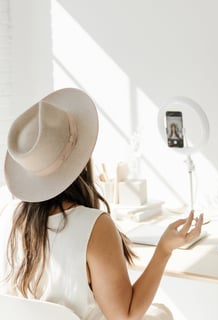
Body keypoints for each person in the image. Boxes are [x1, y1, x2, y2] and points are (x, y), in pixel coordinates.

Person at [0, 88, 203, 320]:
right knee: (161, 314)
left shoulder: (7, 212)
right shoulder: (93, 226)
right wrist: (164, 250)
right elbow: (124, 315)